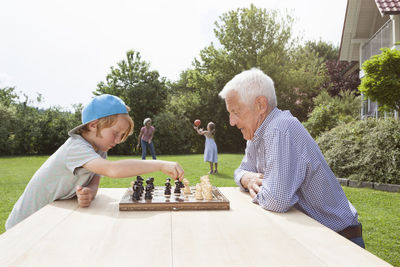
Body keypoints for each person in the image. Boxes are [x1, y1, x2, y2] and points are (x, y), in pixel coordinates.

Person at [218, 68, 365, 248]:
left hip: (341, 243)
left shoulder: (279, 128)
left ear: (260, 105)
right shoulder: (255, 135)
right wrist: (245, 179)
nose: (232, 121)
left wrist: (254, 185)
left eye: (236, 111)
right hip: (316, 239)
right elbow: (242, 171)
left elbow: (276, 200)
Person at [5, 94, 184, 230]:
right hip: (25, 223)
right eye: (115, 133)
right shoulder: (76, 147)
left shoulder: (99, 151)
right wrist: (160, 165)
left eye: (122, 136)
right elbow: (112, 170)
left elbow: (94, 182)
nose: (118, 140)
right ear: (93, 125)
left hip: (49, 219)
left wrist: (89, 192)